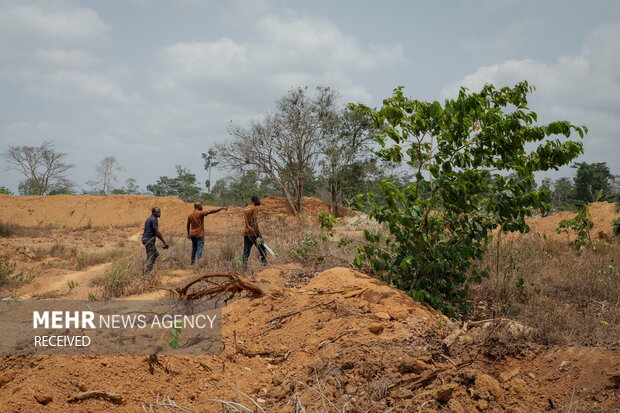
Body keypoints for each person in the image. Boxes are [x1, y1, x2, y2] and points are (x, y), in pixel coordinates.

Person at [141, 207, 168, 276]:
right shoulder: (153, 220)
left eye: (160, 212)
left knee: (154, 255)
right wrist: (164, 242)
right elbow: (157, 232)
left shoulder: (150, 219)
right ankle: (146, 273)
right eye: (158, 212)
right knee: (152, 256)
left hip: (146, 240)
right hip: (149, 241)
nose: (160, 213)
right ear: (153, 213)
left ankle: (146, 271)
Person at [243, 195, 267, 270]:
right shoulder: (255, 208)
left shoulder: (246, 208)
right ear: (256, 200)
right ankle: (264, 266)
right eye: (259, 200)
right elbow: (254, 221)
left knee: (246, 251)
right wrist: (258, 233)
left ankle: (244, 268)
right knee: (263, 249)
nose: (260, 201)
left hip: (246, 232)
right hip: (253, 233)